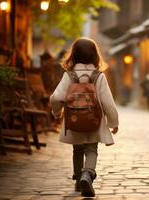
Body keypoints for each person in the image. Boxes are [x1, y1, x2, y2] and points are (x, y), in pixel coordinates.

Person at [50, 38, 119, 197]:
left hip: (74, 121)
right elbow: (108, 102)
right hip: (94, 122)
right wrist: (113, 122)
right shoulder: (98, 76)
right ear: (95, 55)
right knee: (91, 150)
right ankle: (87, 174)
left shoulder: (70, 75)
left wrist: (57, 113)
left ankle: (78, 178)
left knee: (78, 149)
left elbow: (56, 97)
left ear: (73, 55)